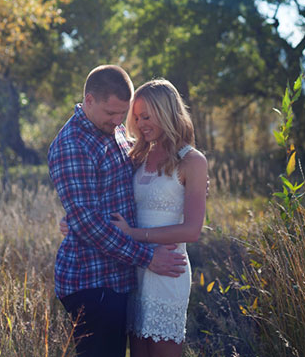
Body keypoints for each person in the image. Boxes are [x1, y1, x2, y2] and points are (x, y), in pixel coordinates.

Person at [48, 65, 187, 357]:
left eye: (121, 114)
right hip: (91, 280)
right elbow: (88, 223)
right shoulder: (73, 144)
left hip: (120, 276)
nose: (116, 121)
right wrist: (148, 257)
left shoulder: (115, 131)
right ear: (88, 100)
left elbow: (139, 173)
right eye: (110, 113)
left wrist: (188, 183)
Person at [111, 78, 208, 357]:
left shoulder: (192, 161)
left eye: (147, 116)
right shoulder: (137, 155)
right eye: (137, 117)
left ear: (166, 112)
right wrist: (73, 220)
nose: (140, 124)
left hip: (168, 268)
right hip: (137, 268)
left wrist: (134, 234)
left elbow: (191, 231)